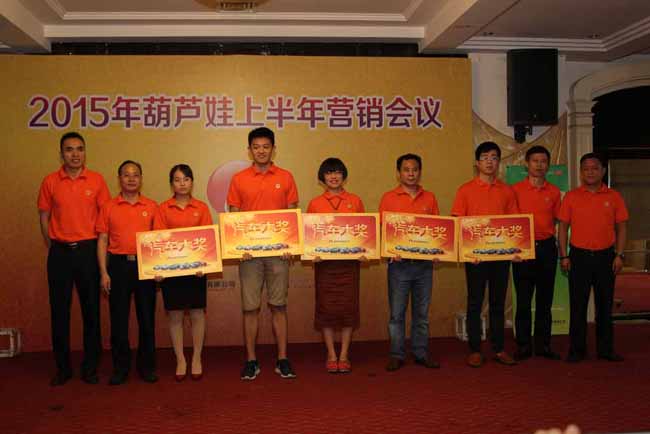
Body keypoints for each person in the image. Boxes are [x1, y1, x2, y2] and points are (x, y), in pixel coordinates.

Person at [37, 131, 111, 386]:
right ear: (61, 154)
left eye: (79, 149)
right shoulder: (50, 181)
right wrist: (54, 244)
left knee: (92, 312)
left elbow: (105, 219)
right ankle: (63, 368)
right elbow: (44, 217)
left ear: (85, 152)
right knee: (59, 312)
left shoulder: (97, 180)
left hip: (88, 252)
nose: (75, 154)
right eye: (69, 150)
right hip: (59, 253)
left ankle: (90, 367)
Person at [227, 126, 299, 380]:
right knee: (250, 309)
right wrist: (239, 247)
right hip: (250, 256)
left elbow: (292, 213)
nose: (261, 151)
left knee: (279, 306)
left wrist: (290, 246)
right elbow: (234, 216)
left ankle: (282, 359)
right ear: (249, 150)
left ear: (273, 149)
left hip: (279, 254)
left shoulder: (286, 177)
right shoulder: (239, 179)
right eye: (256, 147)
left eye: (266, 146)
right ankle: (251, 360)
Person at [451, 141, 519, 368]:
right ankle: (475, 350)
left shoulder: (507, 191)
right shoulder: (465, 190)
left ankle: (498, 348)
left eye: (494, 157)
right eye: (485, 157)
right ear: (477, 163)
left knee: (498, 302)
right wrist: (467, 251)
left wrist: (516, 250)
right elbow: (458, 223)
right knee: (475, 302)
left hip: (500, 256)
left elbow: (514, 224)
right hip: (476, 257)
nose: (490, 162)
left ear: (499, 162)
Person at [558, 152, 628, 363]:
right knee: (578, 306)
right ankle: (577, 350)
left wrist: (620, 255)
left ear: (603, 171)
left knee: (605, 305)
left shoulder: (614, 197)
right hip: (578, 257)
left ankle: (605, 349)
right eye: (586, 169)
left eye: (595, 168)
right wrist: (564, 256)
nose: (590, 172)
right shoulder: (571, 196)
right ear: (581, 172)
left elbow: (622, 228)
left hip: (606, 257)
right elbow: (562, 228)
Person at [96, 160, 158, 385]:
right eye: (126, 175)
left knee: (147, 319)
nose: (131, 179)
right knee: (119, 320)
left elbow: (159, 240)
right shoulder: (109, 206)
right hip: (118, 266)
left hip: (145, 266)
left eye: (135, 175)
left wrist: (157, 268)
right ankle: (120, 368)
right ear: (119, 179)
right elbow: (102, 240)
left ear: (141, 179)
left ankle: (146, 367)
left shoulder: (152, 206)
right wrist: (103, 272)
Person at [379, 153, 441, 371]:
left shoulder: (430, 198)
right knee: (397, 314)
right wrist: (389, 250)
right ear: (399, 173)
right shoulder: (389, 198)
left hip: (424, 265)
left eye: (414, 169)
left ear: (419, 172)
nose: (411, 173)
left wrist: (438, 251)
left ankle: (420, 353)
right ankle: (396, 354)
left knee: (421, 314)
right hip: (399, 265)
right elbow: (383, 230)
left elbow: (437, 230)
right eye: (406, 170)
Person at [307, 158, 366, 374]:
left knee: (348, 309)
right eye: (329, 172)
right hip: (325, 266)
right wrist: (312, 253)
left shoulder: (355, 201)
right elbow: (310, 234)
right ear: (322, 177)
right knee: (327, 309)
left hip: (349, 265)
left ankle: (344, 355)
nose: (333, 176)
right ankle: (331, 354)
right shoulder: (315, 203)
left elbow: (364, 232)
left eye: (338, 172)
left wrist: (365, 251)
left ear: (344, 175)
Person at [154, 164, 213, 381]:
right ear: (172, 184)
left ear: (192, 182)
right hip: (172, 271)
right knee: (175, 315)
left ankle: (196, 358)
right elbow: (158, 241)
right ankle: (180, 359)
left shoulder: (201, 207)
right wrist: (159, 268)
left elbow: (207, 240)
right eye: (177, 180)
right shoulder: (162, 209)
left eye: (186, 179)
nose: (182, 184)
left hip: (196, 270)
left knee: (197, 314)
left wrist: (204, 265)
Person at [511, 146, 562, 361]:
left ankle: (543, 345)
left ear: (548, 165)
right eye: (535, 161)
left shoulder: (554, 192)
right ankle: (523, 345)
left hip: (547, 248)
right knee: (523, 300)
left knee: (544, 300)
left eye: (543, 161)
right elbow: (510, 222)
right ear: (527, 163)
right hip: (522, 248)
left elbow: (559, 221)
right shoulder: (514, 190)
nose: (539, 165)